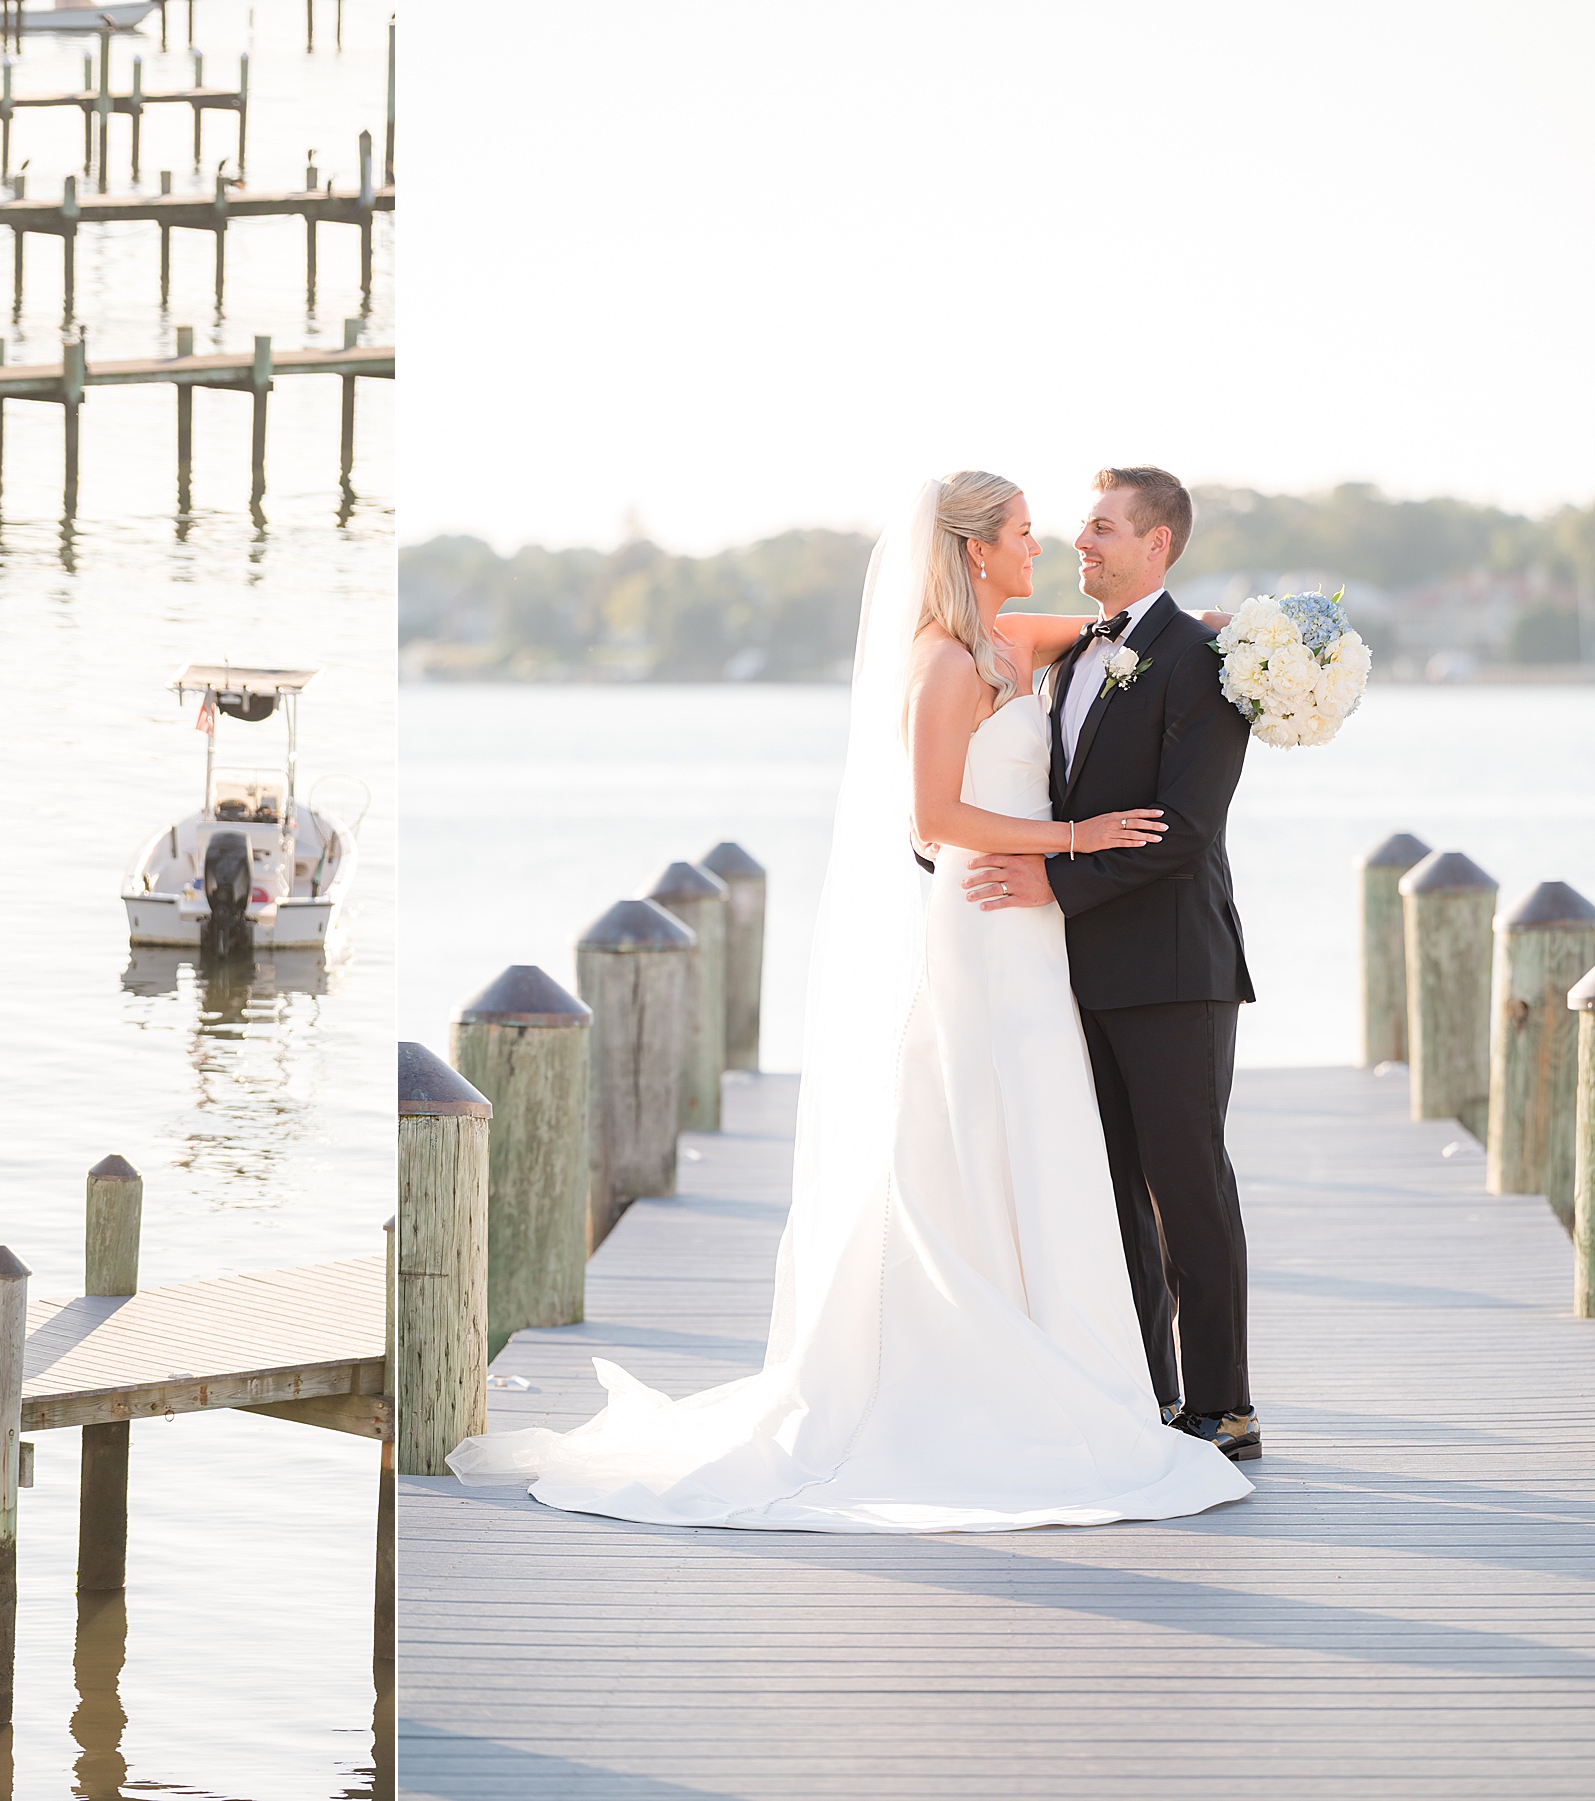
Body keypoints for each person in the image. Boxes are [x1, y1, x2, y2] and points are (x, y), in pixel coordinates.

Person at [445, 471, 1251, 1532]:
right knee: (976, 1131)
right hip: (986, 922)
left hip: (1044, 944)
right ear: (973, 552)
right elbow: (928, 817)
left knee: (1051, 1149)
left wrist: (1232, 636)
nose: (1048, 544)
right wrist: (1070, 840)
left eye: (1082, 528)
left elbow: (1129, 633)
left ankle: (1133, 1383)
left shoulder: (1034, 640)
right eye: (1023, 533)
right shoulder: (941, 659)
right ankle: (998, 1375)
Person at [965, 466, 1260, 1458]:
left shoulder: (1207, 655)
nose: (1078, 543)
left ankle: (1225, 1404)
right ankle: (1146, 1395)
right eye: (1079, 528)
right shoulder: (1078, 652)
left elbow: (1183, 830)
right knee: (1113, 1192)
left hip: (1177, 970)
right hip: (1074, 973)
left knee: (1189, 1188)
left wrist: (1056, 886)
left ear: (1157, 543)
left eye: (1100, 528)